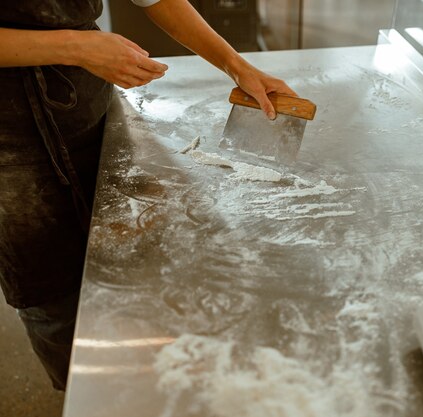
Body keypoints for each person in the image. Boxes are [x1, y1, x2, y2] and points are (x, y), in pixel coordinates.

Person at [0, 0, 295, 391]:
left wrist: (235, 65)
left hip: (88, 101)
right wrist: (74, 46)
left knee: (132, 255)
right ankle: (87, 393)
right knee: (51, 286)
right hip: (9, 141)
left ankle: (148, 381)